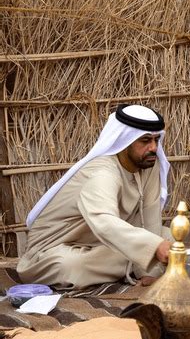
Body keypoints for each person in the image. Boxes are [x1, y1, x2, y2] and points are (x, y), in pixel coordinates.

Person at [17, 104, 172, 289]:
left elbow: (151, 218)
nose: (154, 147)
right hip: (54, 251)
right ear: (124, 141)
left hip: (103, 244)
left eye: (156, 139)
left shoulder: (148, 166)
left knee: (167, 236)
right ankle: (132, 264)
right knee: (69, 266)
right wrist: (153, 249)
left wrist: (151, 272)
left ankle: (134, 263)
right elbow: (104, 221)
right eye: (145, 140)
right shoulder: (102, 172)